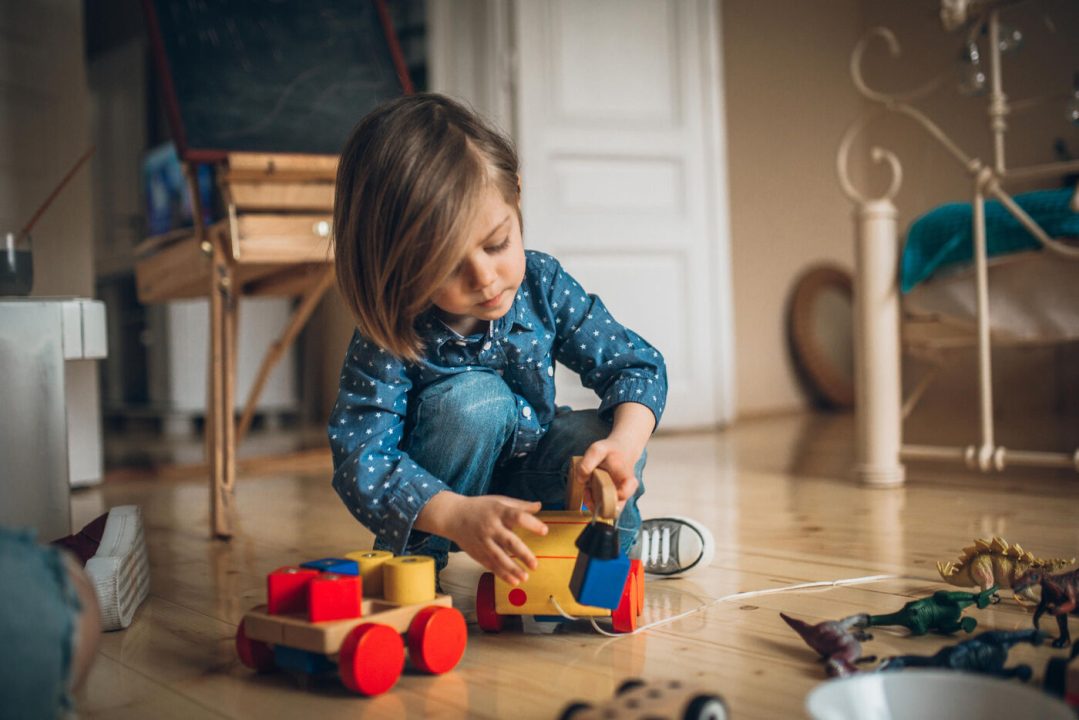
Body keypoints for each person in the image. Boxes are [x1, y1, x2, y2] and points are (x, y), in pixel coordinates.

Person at [328, 93, 713, 587]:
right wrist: (453, 514)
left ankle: (608, 547)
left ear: (516, 195)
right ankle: (416, 566)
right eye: (447, 266)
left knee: (601, 438)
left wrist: (623, 444)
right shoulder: (390, 331)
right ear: (395, 264)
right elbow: (362, 459)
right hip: (441, 506)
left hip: (533, 478)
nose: (485, 278)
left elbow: (636, 366)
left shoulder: (542, 283)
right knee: (475, 403)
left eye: (497, 244)